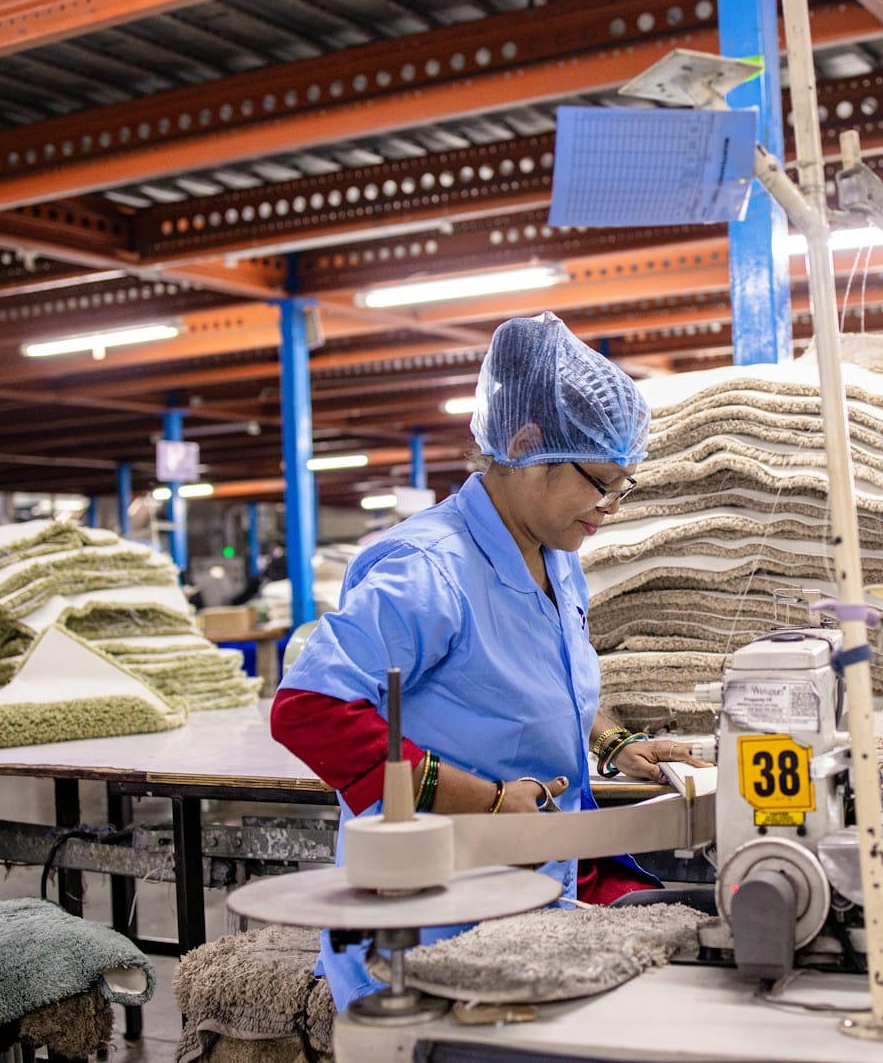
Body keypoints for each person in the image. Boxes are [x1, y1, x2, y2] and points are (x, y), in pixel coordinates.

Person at [270, 311, 706, 1008]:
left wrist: (614, 742)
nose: (613, 505)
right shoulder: (429, 569)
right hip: (433, 927)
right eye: (601, 480)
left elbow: (533, 676)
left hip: (533, 900)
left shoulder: (556, 556)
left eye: (626, 484)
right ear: (527, 444)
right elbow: (309, 712)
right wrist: (487, 800)